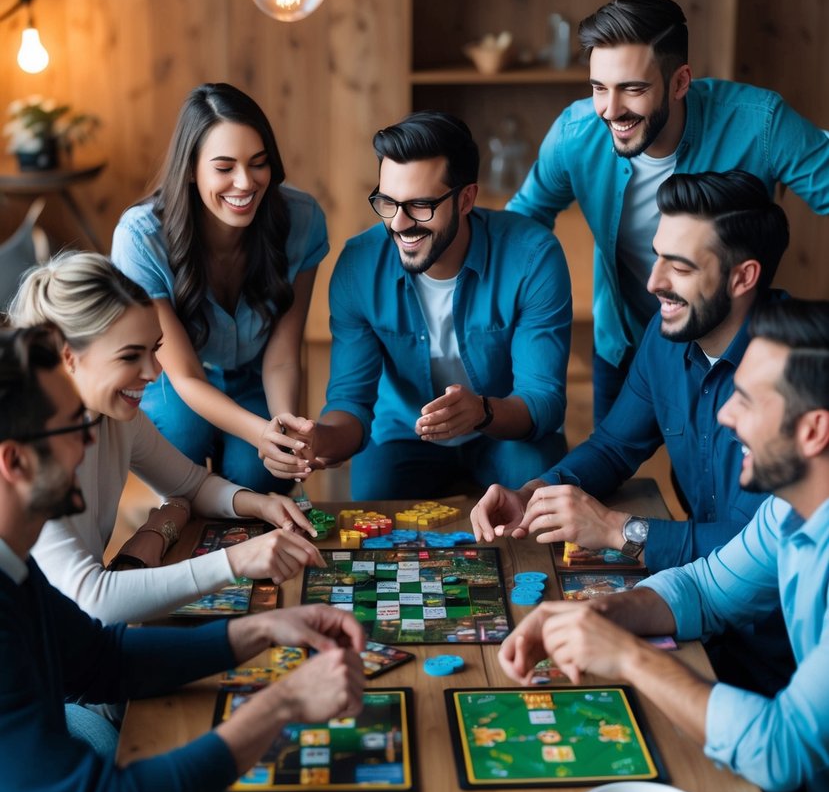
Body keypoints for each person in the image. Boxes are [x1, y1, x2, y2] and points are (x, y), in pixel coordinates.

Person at [0, 325, 365, 792]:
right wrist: (279, 705)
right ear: (14, 462)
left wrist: (257, 631)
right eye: (71, 425)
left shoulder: (11, 567)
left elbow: (102, 661)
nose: (90, 439)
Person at [497, 298, 829, 792]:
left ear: (812, 432)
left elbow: (779, 748)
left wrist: (625, 656)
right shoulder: (791, 508)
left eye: (749, 401)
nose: (725, 414)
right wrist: (593, 615)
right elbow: (705, 589)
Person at [506, 0, 829, 421]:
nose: (611, 110)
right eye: (599, 88)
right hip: (623, 344)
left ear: (680, 82)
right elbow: (519, 228)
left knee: (719, 485)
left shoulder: (760, 122)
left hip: (730, 350)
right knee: (608, 472)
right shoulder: (575, 133)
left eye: (633, 89)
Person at [472, 170, 790, 572]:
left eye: (681, 267)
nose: (653, 283)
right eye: (657, 256)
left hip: (780, 623)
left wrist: (615, 528)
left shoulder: (799, 373)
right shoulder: (666, 335)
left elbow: (758, 550)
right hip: (699, 594)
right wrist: (536, 494)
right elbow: (614, 447)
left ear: (743, 277)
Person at [7, 252, 327, 624]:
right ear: (69, 358)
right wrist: (235, 559)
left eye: (154, 350)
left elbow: (190, 484)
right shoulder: (26, 453)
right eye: (130, 357)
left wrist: (261, 505)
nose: (154, 372)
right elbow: (92, 600)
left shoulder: (114, 417)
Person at [279, 111, 572, 500]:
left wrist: (482, 411)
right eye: (388, 202)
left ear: (466, 198)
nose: (399, 224)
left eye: (420, 205)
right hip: (402, 432)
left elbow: (543, 401)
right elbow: (351, 400)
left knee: (540, 503)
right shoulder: (359, 266)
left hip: (504, 430)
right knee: (372, 521)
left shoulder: (533, 257)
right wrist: (321, 441)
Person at [111, 82, 329, 493]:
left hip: (255, 374)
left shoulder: (302, 220)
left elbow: (282, 356)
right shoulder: (141, 237)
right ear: (191, 170)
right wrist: (258, 432)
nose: (245, 183)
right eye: (224, 168)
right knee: (181, 439)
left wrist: (282, 428)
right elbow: (187, 375)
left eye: (258, 163)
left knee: (260, 475)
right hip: (174, 378)